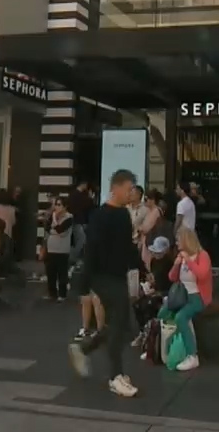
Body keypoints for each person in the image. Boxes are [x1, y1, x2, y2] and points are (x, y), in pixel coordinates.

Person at [68, 169, 143, 398]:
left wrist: (142, 268)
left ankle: (84, 348)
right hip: (102, 277)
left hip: (118, 276)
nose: (132, 193)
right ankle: (115, 376)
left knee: (118, 324)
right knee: (120, 323)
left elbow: (128, 246)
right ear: (116, 187)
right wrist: (84, 284)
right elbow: (91, 250)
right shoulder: (100, 215)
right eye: (129, 188)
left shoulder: (123, 215)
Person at [159, 226, 213, 371]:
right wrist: (176, 265)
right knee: (163, 313)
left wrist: (188, 261)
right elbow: (172, 277)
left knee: (181, 317)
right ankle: (160, 348)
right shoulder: (182, 257)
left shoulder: (202, 256)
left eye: (178, 240)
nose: (176, 243)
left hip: (198, 297)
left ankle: (192, 356)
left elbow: (202, 274)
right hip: (182, 296)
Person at [134, 235, 175, 333]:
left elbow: (171, 283)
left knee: (148, 306)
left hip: (167, 293)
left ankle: (152, 332)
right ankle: (143, 331)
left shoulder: (170, 263)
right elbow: (156, 279)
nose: (155, 253)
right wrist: (150, 284)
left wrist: (158, 292)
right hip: (156, 290)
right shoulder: (154, 261)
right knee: (136, 305)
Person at [43, 197, 75, 302]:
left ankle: (62, 294)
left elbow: (61, 231)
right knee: (51, 272)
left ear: (65, 206)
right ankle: (52, 293)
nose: (57, 207)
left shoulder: (69, 218)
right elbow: (48, 229)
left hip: (62, 250)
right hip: (51, 248)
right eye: (56, 204)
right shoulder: (52, 216)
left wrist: (55, 221)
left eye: (59, 204)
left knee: (62, 273)